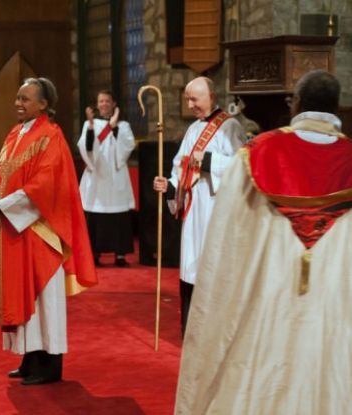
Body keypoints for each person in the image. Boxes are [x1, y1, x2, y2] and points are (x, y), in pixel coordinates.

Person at [174, 70, 352, 413]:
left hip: (269, 303)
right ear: (338, 107)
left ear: (295, 103)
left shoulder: (257, 153)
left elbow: (226, 242)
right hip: (335, 305)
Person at [0, 77, 97, 385]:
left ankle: (49, 364)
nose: (18, 103)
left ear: (44, 104)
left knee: (43, 297)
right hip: (16, 228)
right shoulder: (15, 134)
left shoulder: (51, 136)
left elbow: (45, 185)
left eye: (26, 99)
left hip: (41, 229)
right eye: (17, 98)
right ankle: (30, 358)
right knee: (23, 295)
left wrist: (2, 207)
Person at [152, 77, 245, 337]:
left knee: (211, 267)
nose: (190, 104)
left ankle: (212, 334)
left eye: (195, 99)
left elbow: (243, 166)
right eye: (187, 100)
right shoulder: (193, 130)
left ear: (212, 97)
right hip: (194, 211)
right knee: (191, 269)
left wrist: (209, 162)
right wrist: (169, 186)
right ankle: (191, 331)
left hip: (215, 210)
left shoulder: (230, 127)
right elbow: (179, 168)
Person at [77, 90, 135, 267]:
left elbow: (127, 145)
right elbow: (86, 149)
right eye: (100, 101)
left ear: (113, 104)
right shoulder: (89, 124)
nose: (103, 104)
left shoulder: (123, 125)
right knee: (95, 215)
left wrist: (114, 125)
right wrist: (93, 127)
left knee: (119, 216)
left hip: (115, 176)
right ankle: (95, 253)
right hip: (97, 177)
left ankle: (120, 255)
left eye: (107, 101)